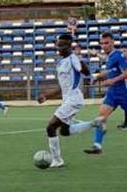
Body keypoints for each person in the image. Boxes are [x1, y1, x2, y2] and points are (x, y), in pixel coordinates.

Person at [38, 34, 98, 168]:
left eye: (61, 45)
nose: (58, 48)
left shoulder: (73, 59)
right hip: (67, 99)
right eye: (58, 45)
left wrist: (81, 64)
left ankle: (57, 160)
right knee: (64, 131)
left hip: (73, 99)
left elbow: (85, 71)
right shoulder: (61, 63)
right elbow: (62, 87)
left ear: (69, 46)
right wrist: (46, 96)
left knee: (51, 127)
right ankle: (94, 124)